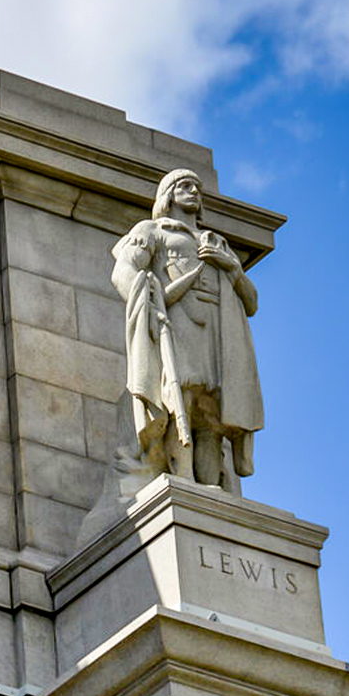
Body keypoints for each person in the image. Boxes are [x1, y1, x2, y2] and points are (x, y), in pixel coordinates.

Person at [110, 168, 262, 492]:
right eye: (184, 185)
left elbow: (251, 302)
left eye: (197, 187)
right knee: (184, 399)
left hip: (218, 332)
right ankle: (185, 481)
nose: (194, 191)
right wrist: (145, 298)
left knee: (212, 416)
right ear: (168, 194)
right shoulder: (153, 231)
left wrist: (232, 266)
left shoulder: (215, 242)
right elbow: (124, 269)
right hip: (178, 322)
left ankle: (210, 489)